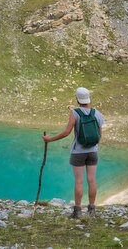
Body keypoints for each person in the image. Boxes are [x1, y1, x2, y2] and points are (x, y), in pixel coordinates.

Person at [43, 87, 104, 219]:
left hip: (78, 152)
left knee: (79, 181)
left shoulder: (75, 113)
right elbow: (99, 135)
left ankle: (77, 211)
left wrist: (49, 139)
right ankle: (92, 210)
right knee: (92, 180)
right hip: (93, 151)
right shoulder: (97, 113)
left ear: (77, 99)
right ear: (88, 98)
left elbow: (66, 133)